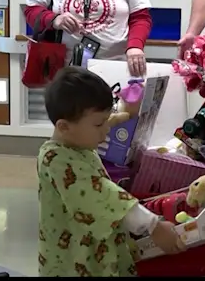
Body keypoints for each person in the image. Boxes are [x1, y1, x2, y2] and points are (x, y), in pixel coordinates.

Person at [37, 67, 185, 277]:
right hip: (72, 261)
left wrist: (127, 114)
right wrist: (153, 225)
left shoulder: (77, 141)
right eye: (99, 124)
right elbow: (101, 194)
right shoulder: (56, 159)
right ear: (64, 126)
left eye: (106, 121)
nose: (106, 130)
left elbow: (109, 120)